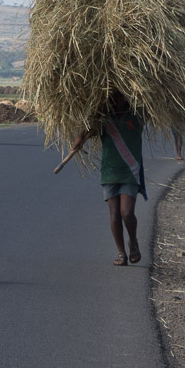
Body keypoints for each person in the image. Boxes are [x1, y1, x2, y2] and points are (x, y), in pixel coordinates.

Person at [71, 92, 148, 266]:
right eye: (114, 98)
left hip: (130, 170)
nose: (118, 101)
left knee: (127, 213)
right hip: (110, 172)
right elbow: (86, 133)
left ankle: (133, 242)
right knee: (114, 215)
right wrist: (79, 138)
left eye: (121, 97)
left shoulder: (137, 116)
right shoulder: (102, 120)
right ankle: (121, 254)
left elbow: (152, 101)